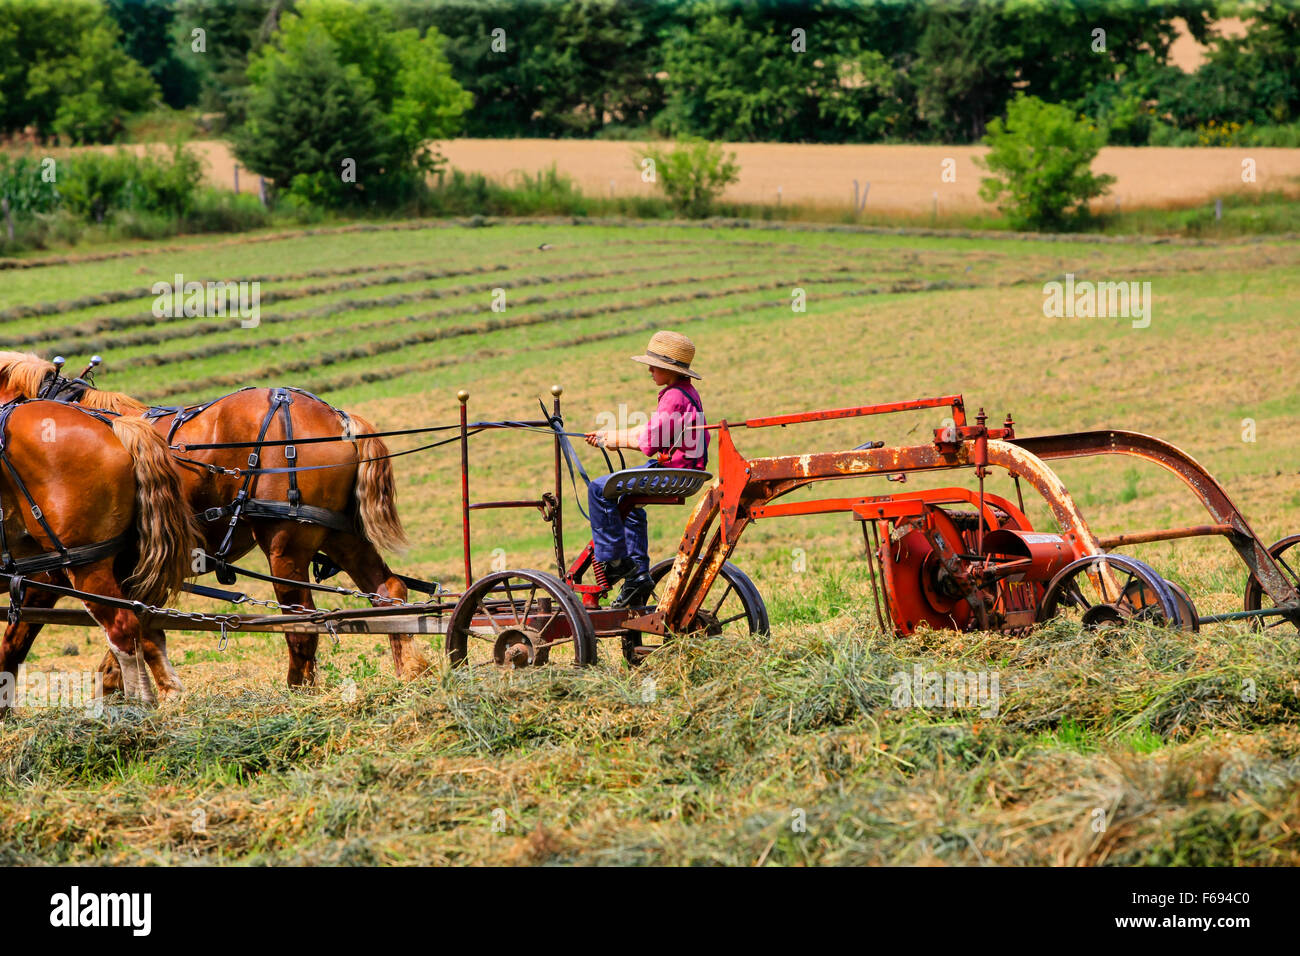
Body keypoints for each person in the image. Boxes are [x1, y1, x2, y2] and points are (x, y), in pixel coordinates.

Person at [584, 330, 709, 608]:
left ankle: (616, 561)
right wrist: (609, 437)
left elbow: (650, 441)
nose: (650, 370)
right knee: (630, 504)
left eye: (654, 366)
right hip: (685, 468)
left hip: (673, 470)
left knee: (598, 488)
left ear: (669, 369)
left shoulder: (673, 397)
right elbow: (652, 432)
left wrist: (612, 440)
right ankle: (637, 574)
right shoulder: (686, 393)